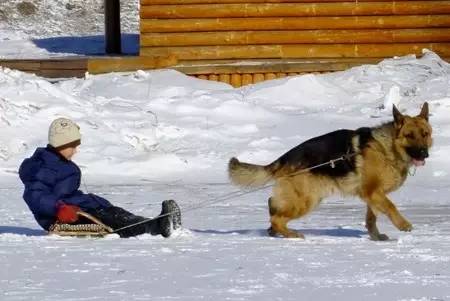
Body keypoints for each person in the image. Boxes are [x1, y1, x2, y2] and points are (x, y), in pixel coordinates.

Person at [18, 117, 182, 238]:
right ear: (61, 144)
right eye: (73, 146)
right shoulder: (44, 167)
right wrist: (58, 208)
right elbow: (35, 194)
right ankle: (155, 227)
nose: (76, 150)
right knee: (110, 220)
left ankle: (155, 223)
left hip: (78, 207)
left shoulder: (57, 162)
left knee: (115, 213)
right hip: (63, 217)